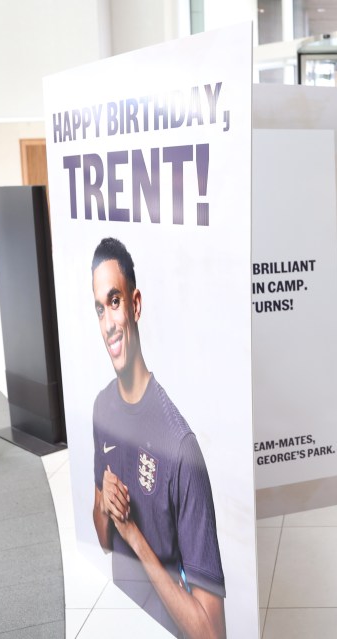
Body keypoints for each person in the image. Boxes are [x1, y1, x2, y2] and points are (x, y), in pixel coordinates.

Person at [91, 237, 226, 639]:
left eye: (114, 302)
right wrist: (104, 503)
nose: (108, 322)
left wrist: (133, 533)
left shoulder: (180, 446)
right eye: (99, 309)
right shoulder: (101, 409)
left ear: (134, 304)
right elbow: (102, 538)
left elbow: (211, 632)